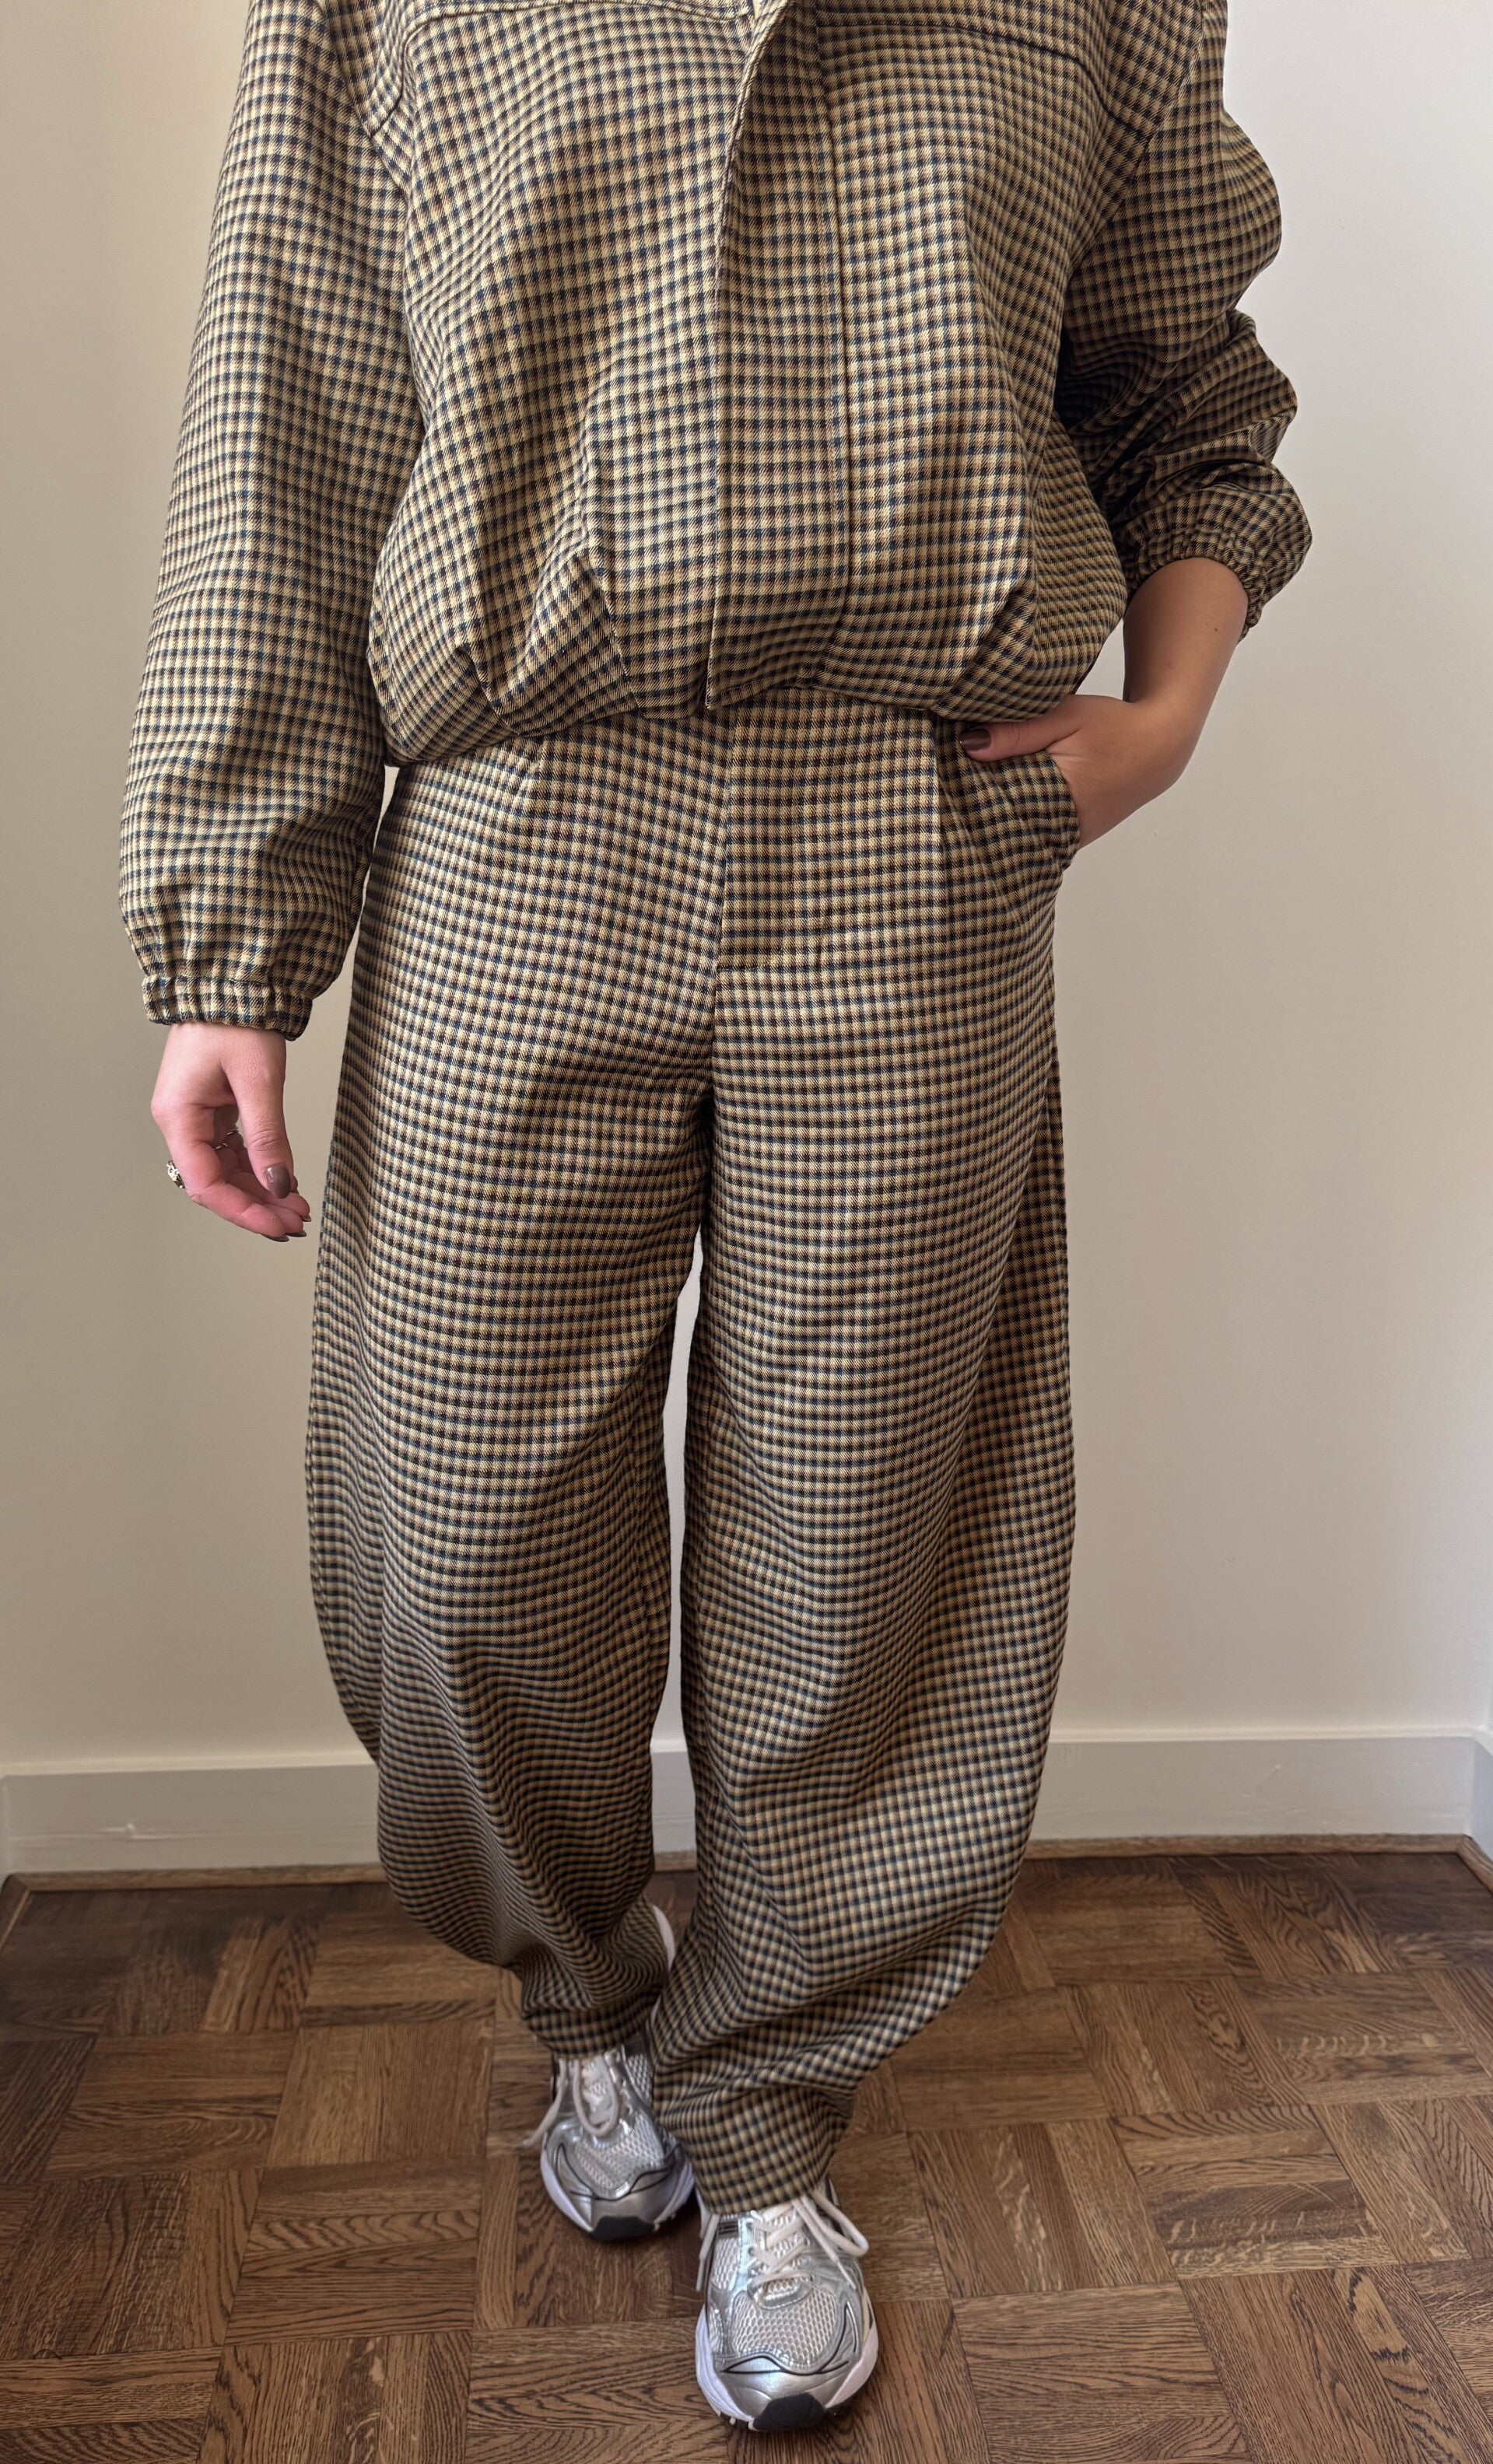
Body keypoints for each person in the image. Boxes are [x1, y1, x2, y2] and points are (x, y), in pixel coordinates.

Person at [121, 0, 1309, 2429]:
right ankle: (594, 2009)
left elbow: (1186, 386)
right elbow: (290, 427)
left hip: (909, 832)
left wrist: (1166, 714)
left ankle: (767, 2129)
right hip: (517, 829)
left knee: (863, 1543)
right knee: (463, 1535)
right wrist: (234, 948)